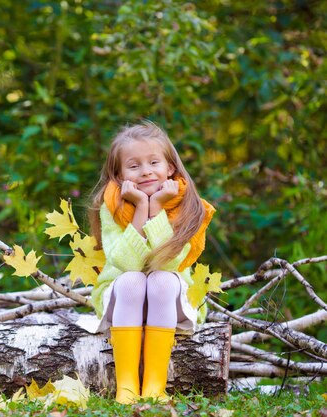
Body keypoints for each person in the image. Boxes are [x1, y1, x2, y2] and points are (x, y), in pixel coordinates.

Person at [88, 121, 215, 404]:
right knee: (134, 280)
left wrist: (156, 206)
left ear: (170, 167)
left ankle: (155, 385)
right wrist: (141, 209)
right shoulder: (113, 204)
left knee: (160, 280)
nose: (145, 171)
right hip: (121, 298)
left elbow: (168, 264)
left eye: (154, 162)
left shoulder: (185, 204)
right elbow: (125, 264)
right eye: (134, 166)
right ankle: (127, 386)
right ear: (119, 174)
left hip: (168, 299)